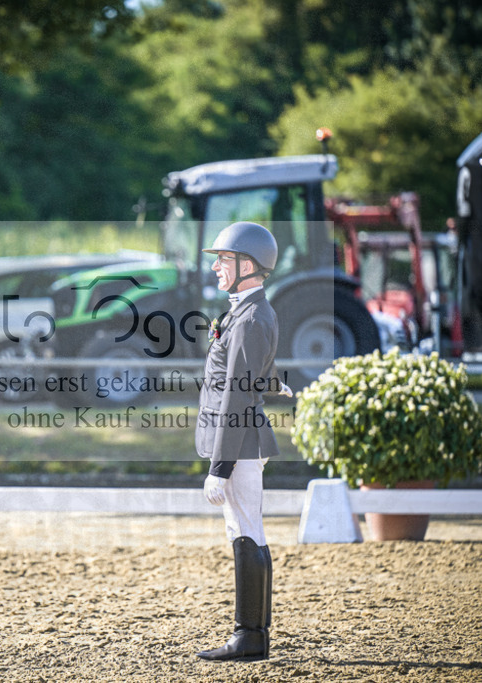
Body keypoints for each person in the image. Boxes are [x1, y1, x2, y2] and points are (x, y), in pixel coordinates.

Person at [194, 221, 288, 663]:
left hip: (239, 442)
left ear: (246, 265)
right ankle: (252, 634)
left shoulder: (250, 316)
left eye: (223, 259)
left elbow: (234, 393)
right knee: (246, 530)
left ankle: (249, 636)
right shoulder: (245, 311)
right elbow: (250, 370)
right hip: (243, 438)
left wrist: (219, 467)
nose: (216, 266)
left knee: (246, 532)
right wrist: (275, 382)